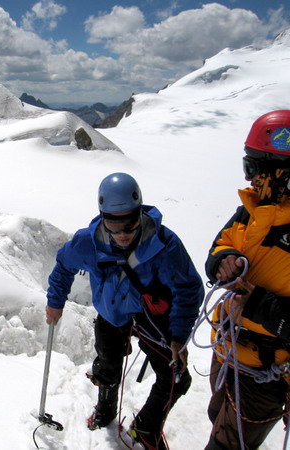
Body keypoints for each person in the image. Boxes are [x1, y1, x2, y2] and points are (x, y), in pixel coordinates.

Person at [46, 172, 204, 449]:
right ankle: (106, 409)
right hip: (111, 313)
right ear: (102, 217)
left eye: (129, 226)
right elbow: (63, 267)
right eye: (113, 226)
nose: (121, 235)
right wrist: (54, 301)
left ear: (139, 214)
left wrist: (178, 336)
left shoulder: (165, 245)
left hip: (150, 316)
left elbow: (188, 289)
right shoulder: (88, 242)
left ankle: (144, 429)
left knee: (176, 378)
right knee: (108, 365)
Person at [204, 110, 290, 450]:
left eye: (255, 167)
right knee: (218, 418)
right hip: (228, 350)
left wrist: (258, 305)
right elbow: (222, 242)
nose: (250, 177)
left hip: (265, 374)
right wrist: (222, 262)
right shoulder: (252, 209)